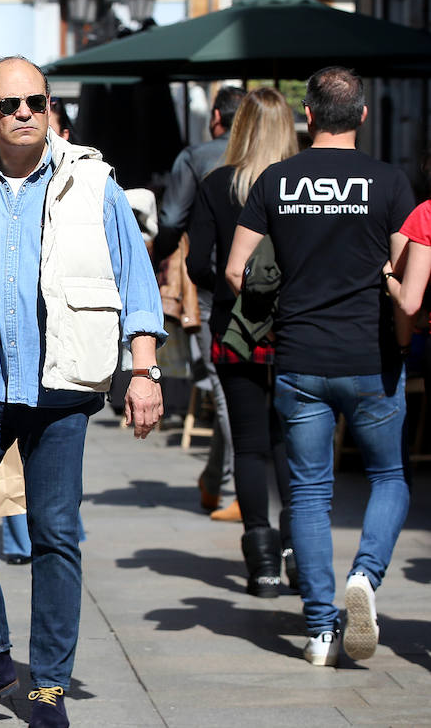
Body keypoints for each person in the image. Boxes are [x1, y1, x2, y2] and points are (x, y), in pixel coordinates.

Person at [0, 56, 166, 728]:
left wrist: (143, 370)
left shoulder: (93, 181)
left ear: (51, 107)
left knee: (55, 533)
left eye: (37, 101)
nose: (25, 113)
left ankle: (47, 684)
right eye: (11, 103)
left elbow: (135, 277)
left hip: (61, 388)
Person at [227, 66, 414, 668]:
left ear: (308, 116)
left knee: (308, 494)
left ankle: (320, 630)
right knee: (387, 476)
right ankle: (364, 578)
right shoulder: (390, 183)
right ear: (362, 115)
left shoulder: (277, 180)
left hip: (299, 357)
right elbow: (403, 278)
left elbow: (236, 270)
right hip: (371, 357)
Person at [185, 87, 298, 597]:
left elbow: (197, 262)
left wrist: (226, 296)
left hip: (238, 330)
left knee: (249, 447)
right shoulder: (304, 184)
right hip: (300, 330)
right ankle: (300, 553)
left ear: (241, 127)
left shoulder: (218, 184)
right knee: (295, 447)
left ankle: (263, 563)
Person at [157, 86, 246, 516]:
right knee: (239, 387)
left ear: (216, 117)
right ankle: (217, 479)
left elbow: (172, 217)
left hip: (213, 283)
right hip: (267, 287)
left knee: (224, 388)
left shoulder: (197, 157)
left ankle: (236, 491)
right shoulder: (274, 156)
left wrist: (159, 256)